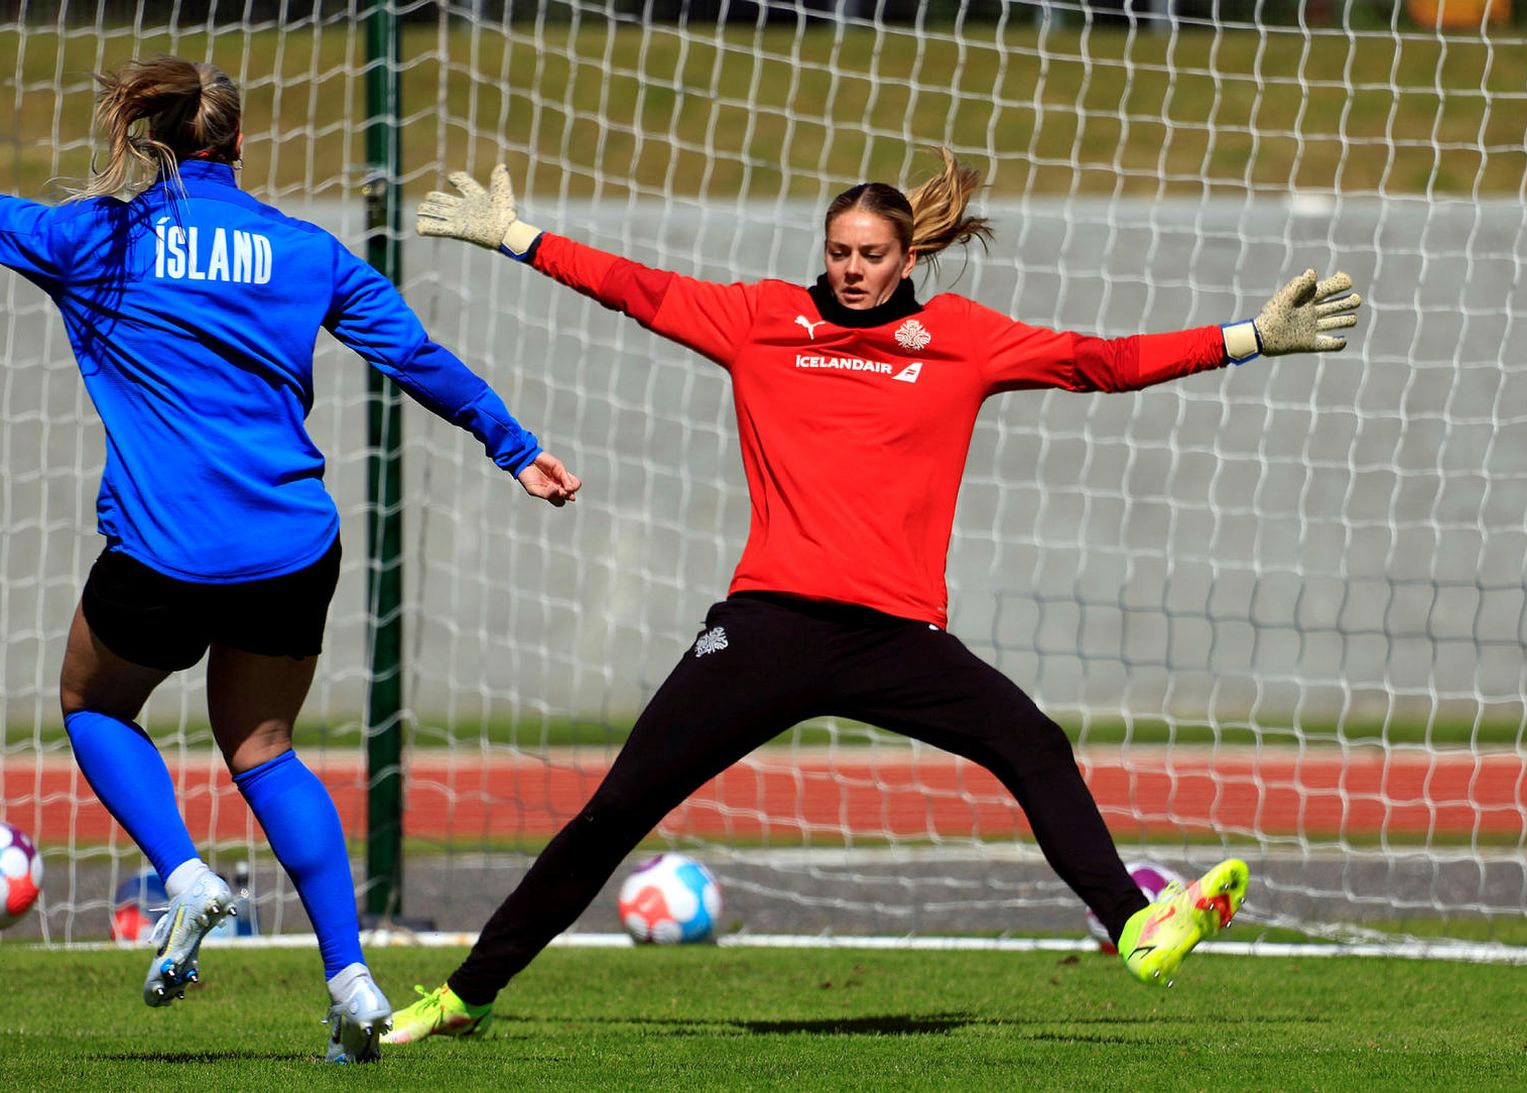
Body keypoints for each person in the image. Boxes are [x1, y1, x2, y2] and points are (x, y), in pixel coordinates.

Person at [387, 152, 1361, 1043]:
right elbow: (635, 291)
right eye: (838, 251)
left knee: (1031, 742)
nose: (850, 268)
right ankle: (466, 992)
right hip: (769, 623)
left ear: (905, 260)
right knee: (617, 808)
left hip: (895, 638)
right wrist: (515, 236)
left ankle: (1136, 928)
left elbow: (1098, 362)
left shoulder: (962, 340)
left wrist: (1248, 338)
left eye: (870, 255)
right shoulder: (760, 317)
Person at [0, 57, 580, 1062]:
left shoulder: (97, 232)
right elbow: (416, 356)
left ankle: (184, 876)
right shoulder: (305, 250)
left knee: (95, 706)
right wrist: (514, 447)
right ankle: (351, 981)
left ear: (153, 141)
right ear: (237, 144)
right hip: (290, 544)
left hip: (165, 542)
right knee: (263, 747)